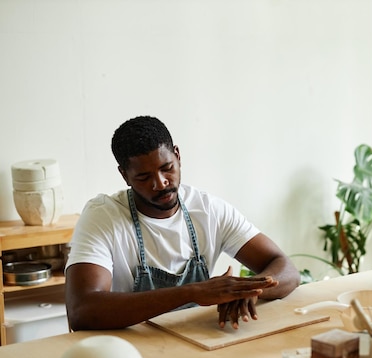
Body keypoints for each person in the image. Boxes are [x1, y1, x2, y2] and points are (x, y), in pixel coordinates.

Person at [65, 115, 300, 330]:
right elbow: (83, 310)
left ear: (177, 156)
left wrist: (250, 289)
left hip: (197, 341)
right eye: (144, 177)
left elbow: (286, 268)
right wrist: (192, 293)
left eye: (167, 168)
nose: (160, 183)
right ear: (125, 175)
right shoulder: (103, 216)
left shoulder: (208, 210)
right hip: (130, 351)